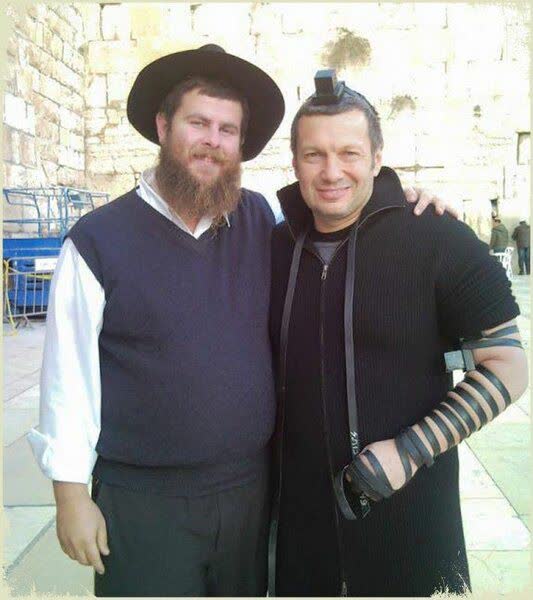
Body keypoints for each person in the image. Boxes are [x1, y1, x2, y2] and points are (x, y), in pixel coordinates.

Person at [28, 46, 453, 597]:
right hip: (143, 501)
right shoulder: (97, 241)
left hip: (250, 493)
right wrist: (69, 496)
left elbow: (342, 207)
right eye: (198, 123)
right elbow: (68, 378)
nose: (213, 141)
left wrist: (403, 201)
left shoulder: (263, 219)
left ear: (240, 145)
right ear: (163, 127)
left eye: (227, 130)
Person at [269, 73, 528, 597]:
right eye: (314, 155)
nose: (332, 171)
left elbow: (509, 366)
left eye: (349, 153)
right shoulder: (273, 245)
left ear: (377, 157)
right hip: (300, 527)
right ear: (294, 162)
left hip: (407, 516)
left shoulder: (438, 237)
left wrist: (410, 451)